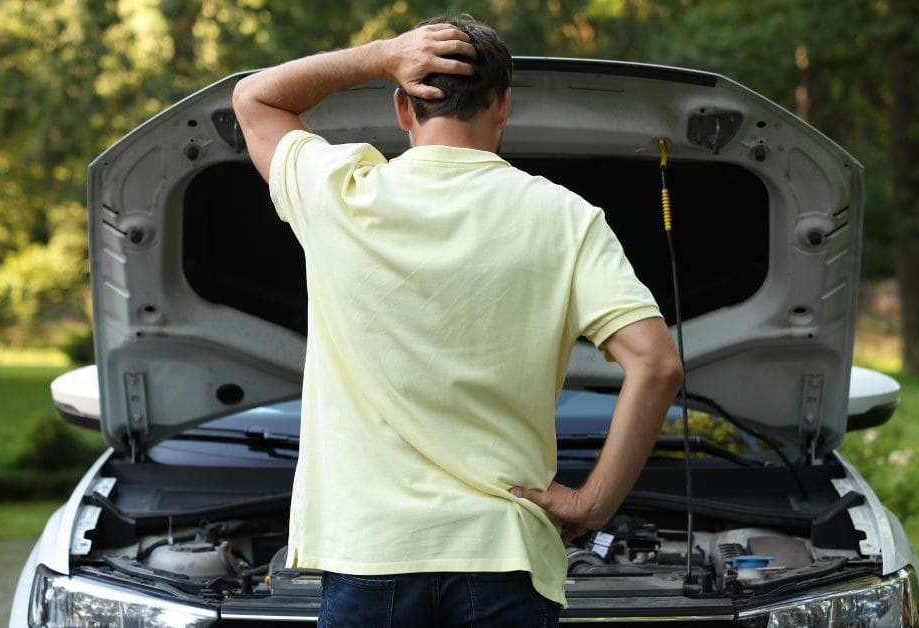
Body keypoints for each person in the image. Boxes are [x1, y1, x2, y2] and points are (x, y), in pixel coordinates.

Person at [232, 15, 682, 628]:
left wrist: (384, 54)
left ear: (402, 106)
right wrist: (595, 501)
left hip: (372, 555)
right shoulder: (566, 219)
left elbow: (255, 97)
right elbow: (656, 365)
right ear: (504, 106)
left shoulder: (340, 194)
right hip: (506, 555)